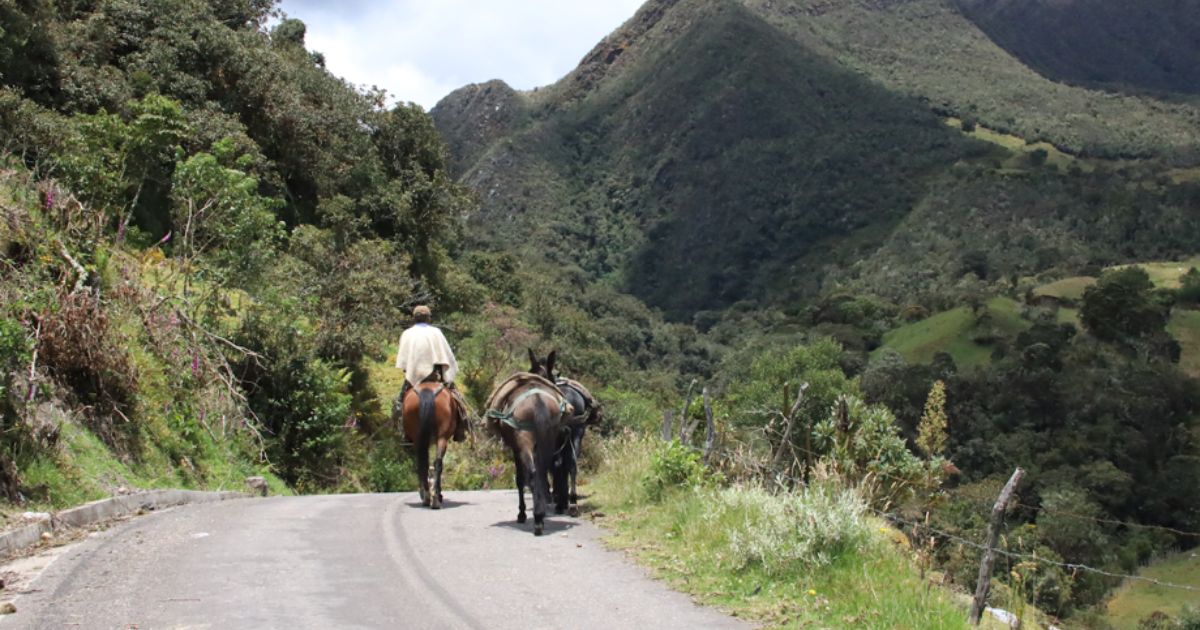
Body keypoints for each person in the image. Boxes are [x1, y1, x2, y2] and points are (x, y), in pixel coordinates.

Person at [396, 305, 468, 441]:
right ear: (428, 318)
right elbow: (445, 356)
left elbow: (404, 362)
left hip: (413, 378)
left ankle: (402, 431)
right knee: (458, 400)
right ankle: (461, 429)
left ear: (414, 318)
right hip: (435, 377)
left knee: (399, 403)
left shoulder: (407, 333)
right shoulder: (436, 332)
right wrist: (445, 375)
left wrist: (411, 370)